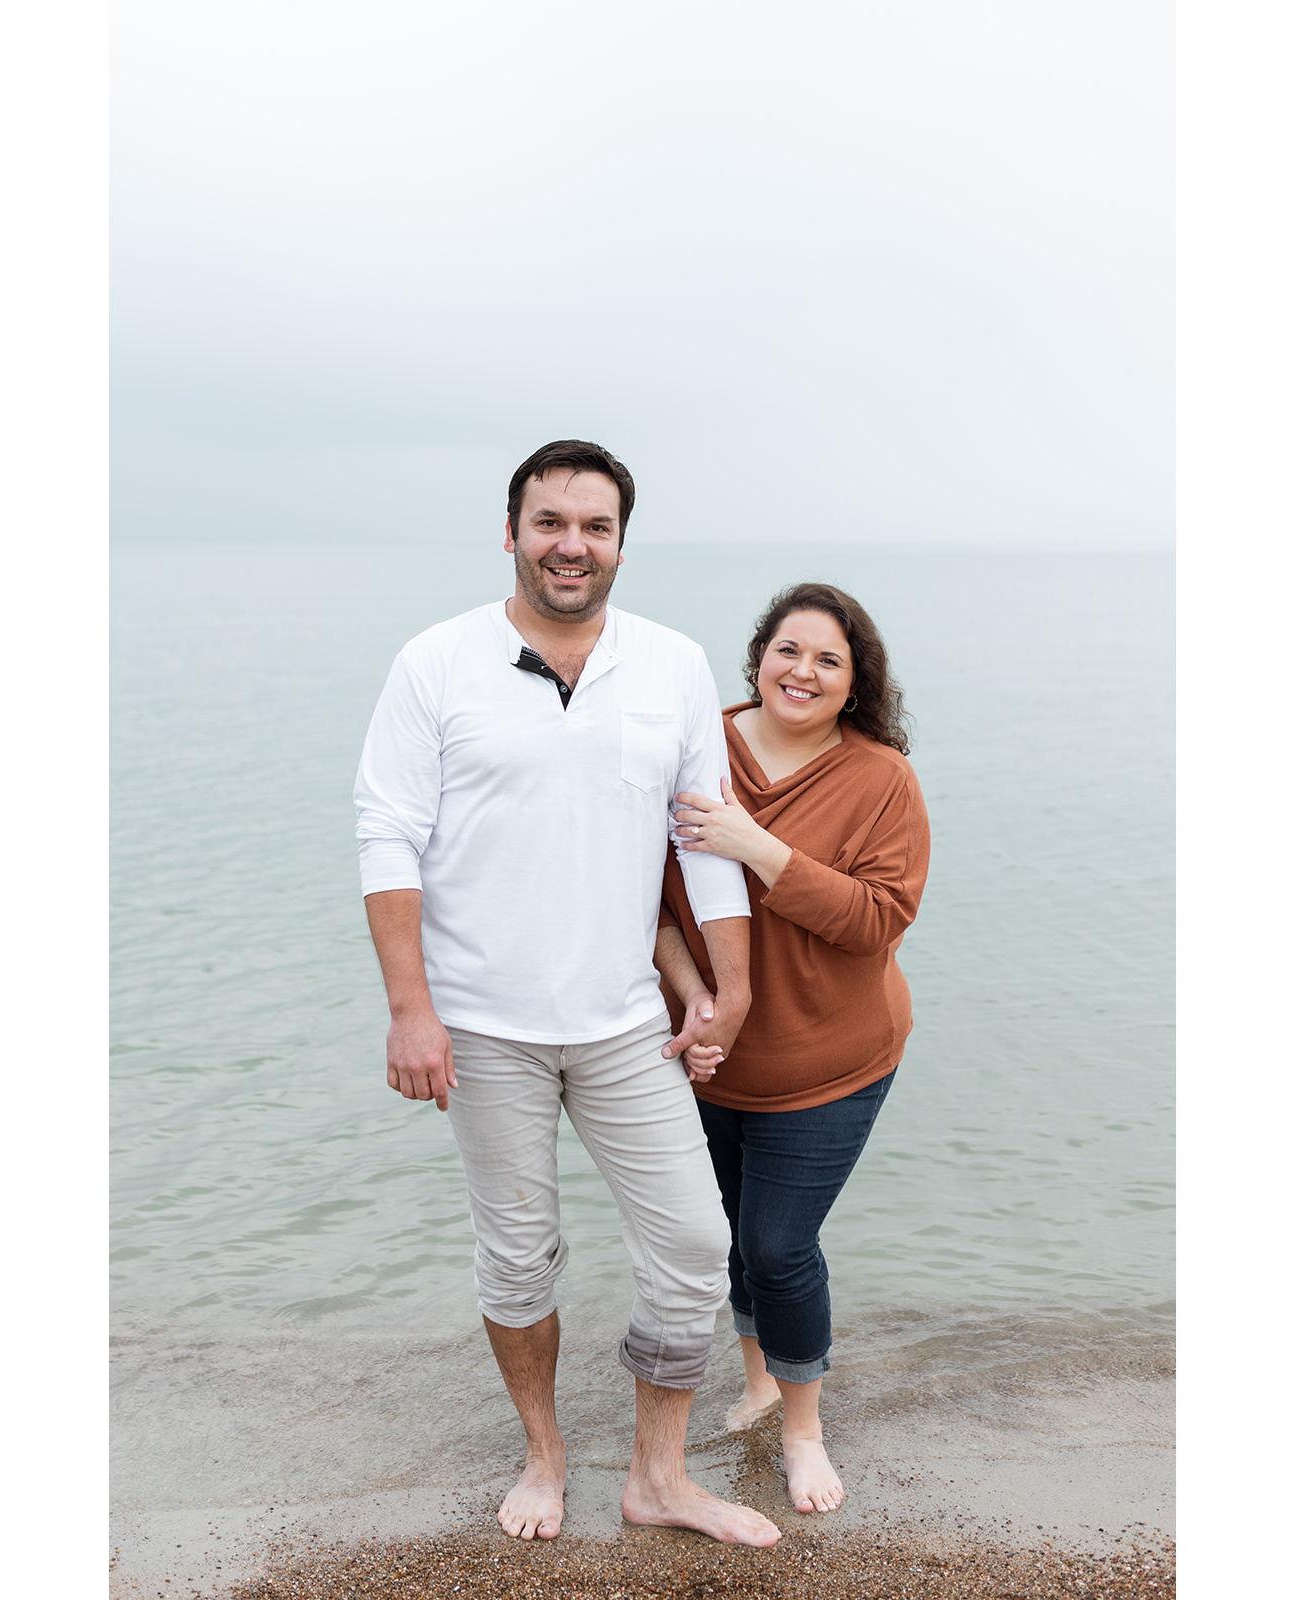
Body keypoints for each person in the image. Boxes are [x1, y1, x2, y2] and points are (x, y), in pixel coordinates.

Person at [353, 440, 780, 1547]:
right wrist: (411, 1007)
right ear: (511, 532)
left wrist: (727, 990)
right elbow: (387, 835)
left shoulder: (673, 664)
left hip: (626, 1018)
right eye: (550, 522)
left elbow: (706, 841)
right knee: (517, 1251)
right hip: (482, 1023)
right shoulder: (435, 661)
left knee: (693, 1245)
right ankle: (543, 1455)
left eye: (593, 526)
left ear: (621, 544)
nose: (570, 545)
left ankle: (658, 1475)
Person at [651, 581, 931, 1517]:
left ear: (855, 685)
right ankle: (761, 1380)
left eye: (827, 660)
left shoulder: (881, 778)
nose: (802, 672)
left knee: (779, 1244)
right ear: (757, 658)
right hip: (708, 1049)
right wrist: (695, 1003)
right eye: (787, 650)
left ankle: (804, 1433)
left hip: (834, 1058)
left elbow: (876, 919)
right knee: (726, 1232)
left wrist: (753, 845)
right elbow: (641, 890)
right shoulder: (703, 744)